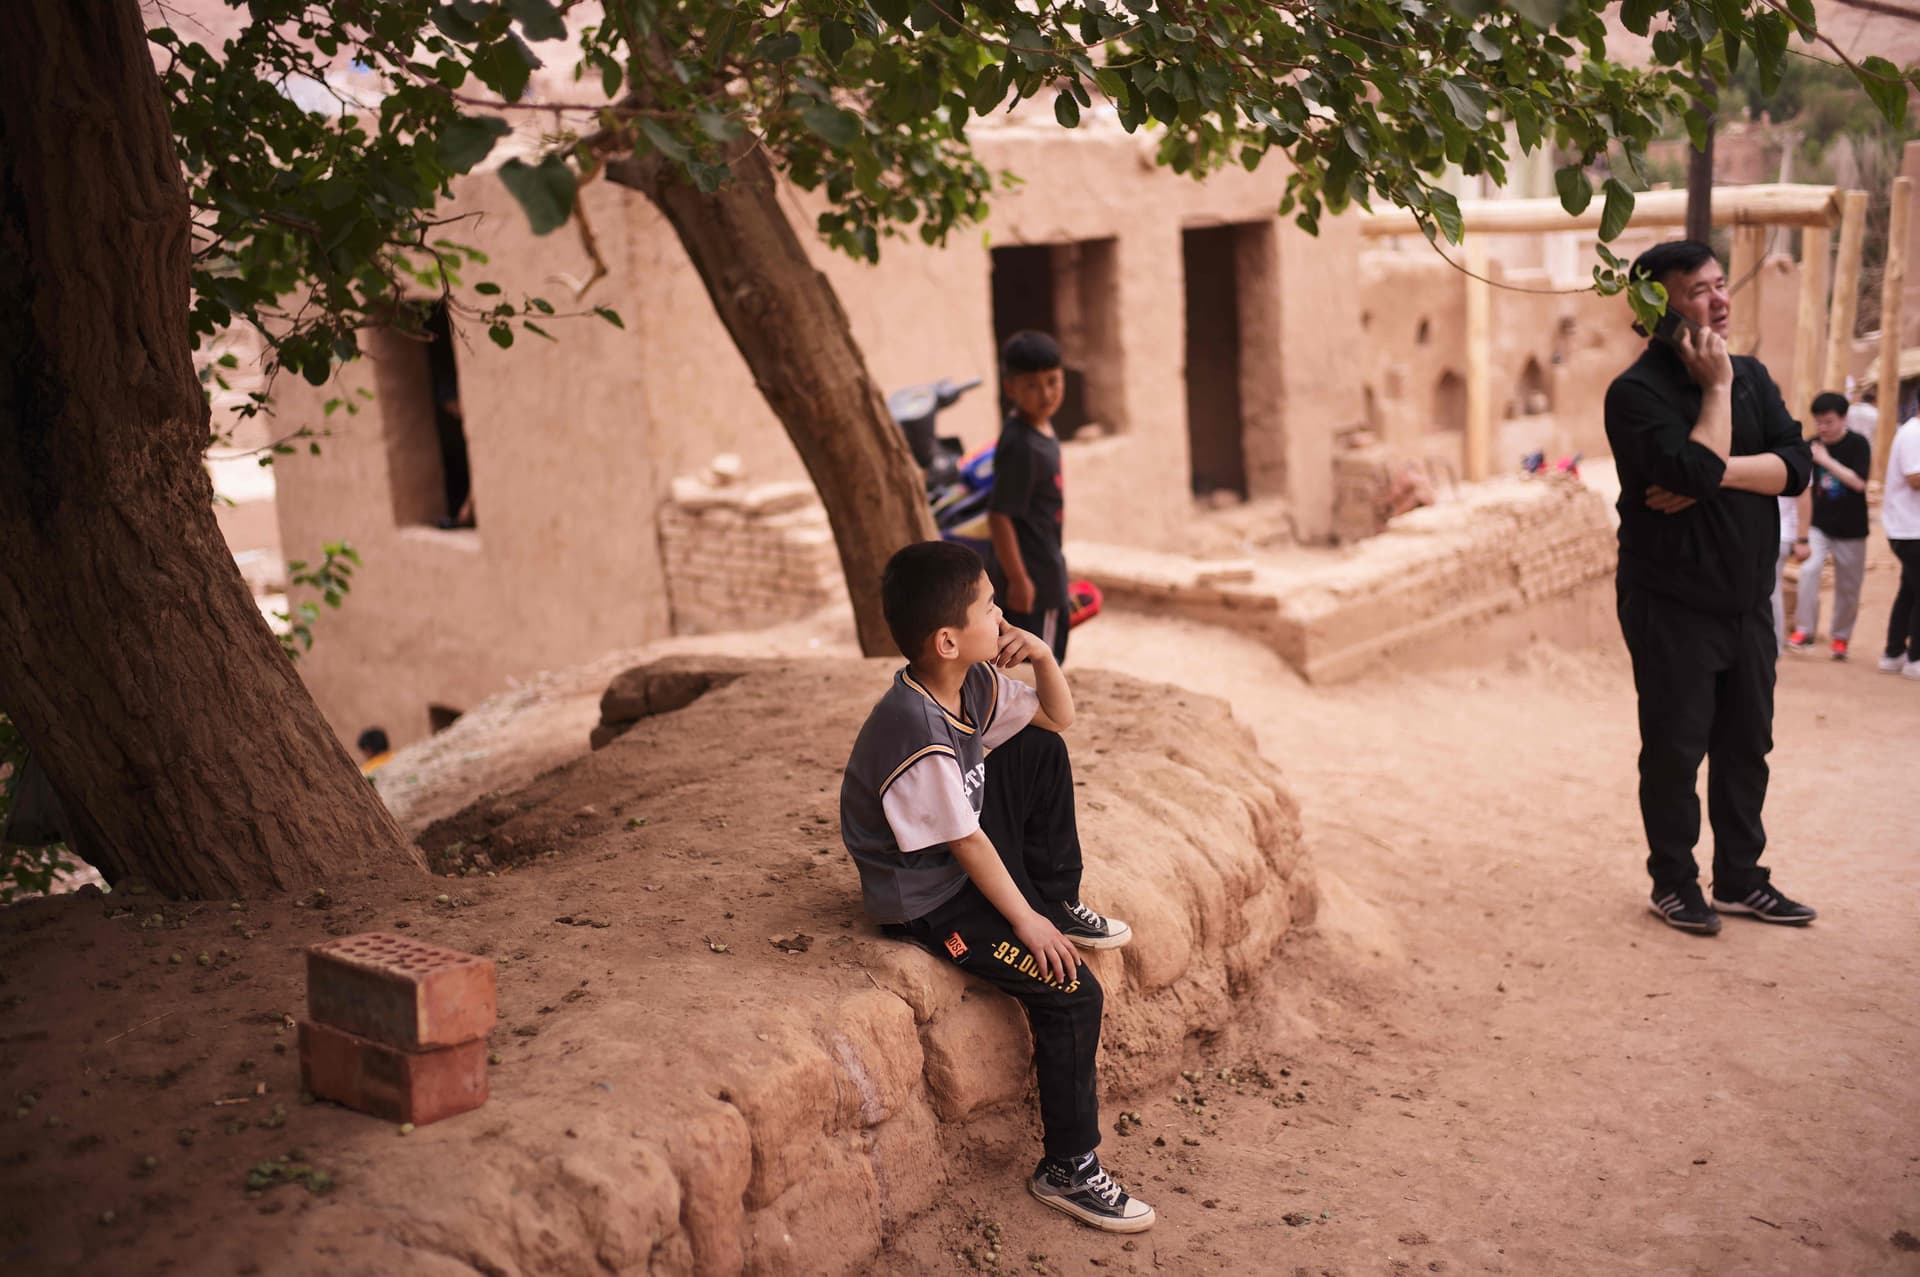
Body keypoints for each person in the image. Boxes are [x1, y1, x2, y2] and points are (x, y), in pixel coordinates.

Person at [839, 541, 1151, 1233]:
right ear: (949, 638)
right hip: (929, 899)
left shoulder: (968, 683)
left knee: (1040, 749)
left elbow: (1056, 719)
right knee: (1073, 991)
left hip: (962, 859)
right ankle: (1069, 1166)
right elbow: (967, 842)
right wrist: (1026, 926)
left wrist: (1042, 655)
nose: (1001, 612)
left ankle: (1058, 900)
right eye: (989, 605)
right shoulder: (915, 728)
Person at [1603, 240, 1816, 934]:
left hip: (1747, 602)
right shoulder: (1635, 394)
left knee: (1746, 743)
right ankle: (1674, 881)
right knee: (1675, 746)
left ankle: (1740, 879)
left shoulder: (1752, 375)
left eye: (1721, 285)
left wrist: (1716, 468)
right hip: (1671, 602)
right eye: (1699, 291)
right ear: (1656, 305)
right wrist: (1715, 394)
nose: (1720, 301)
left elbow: (1797, 466)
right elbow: (1692, 473)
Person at [989, 331, 1072, 664]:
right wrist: (1020, 579)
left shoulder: (1040, 431)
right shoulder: (1022, 445)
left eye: (1053, 381)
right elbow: (999, 516)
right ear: (1011, 388)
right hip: (1036, 581)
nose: (1046, 393)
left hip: (1044, 566)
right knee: (1040, 666)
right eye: (1032, 385)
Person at [1786, 393, 1871, 659]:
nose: (1823, 427)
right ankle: (1805, 628)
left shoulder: (1858, 444)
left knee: (1849, 586)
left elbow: (1859, 483)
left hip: (1852, 528)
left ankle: (1841, 636)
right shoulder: (1809, 444)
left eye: (1829, 422)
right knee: (1809, 571)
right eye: (1819, 422)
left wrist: (1825, 461)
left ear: (1844, 419)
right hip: (1818, 525)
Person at [1881, 410, 1920, 679]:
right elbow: (1914, 477)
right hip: (1909, 529)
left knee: (1909, 590)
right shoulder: (1914, 433)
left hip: (1910, 527)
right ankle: (1915, 658)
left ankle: (1894, 653)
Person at [1772, 490, 1809, 651]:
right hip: (1778, 533)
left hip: (1780, 533)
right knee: (1772, 590)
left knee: (1771, 591)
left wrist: (1802, 538)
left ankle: (1775, 645)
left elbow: (1804, 494)